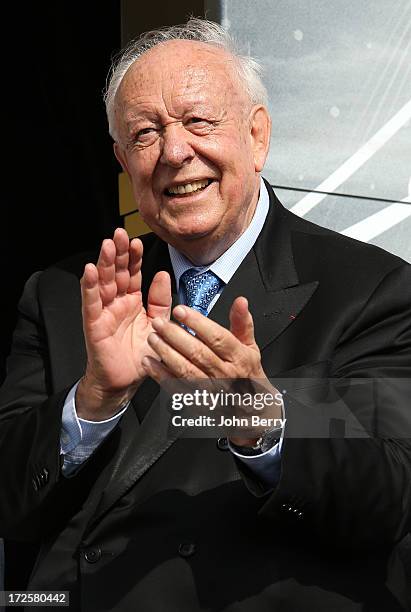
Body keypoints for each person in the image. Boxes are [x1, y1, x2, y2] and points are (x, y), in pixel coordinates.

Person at [0, 18, 410, 612]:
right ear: (122, 160)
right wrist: (92, 402)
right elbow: (11, 500)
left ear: (257, 136)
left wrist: (256, 419)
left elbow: (391, 499)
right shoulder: (67, 293)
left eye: (198, 122)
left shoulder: (369, 289)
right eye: (145, 134)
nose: (173, 152)